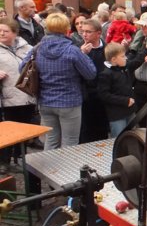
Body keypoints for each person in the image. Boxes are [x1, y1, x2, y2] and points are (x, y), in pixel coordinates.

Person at [21, 13, 96, 150]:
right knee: (70, 141)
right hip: (70, 101)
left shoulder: (37, 49)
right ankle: (66, 171)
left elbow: (22, 68)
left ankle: (50, 171)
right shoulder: (72, 51)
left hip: (45, 101)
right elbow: (90, 74)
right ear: (67, 29)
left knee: (51, 139)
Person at [0, 18, 36, 172]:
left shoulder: (26, 47)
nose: (1, 33)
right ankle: (5, 161)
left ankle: (20, 157)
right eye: (0, 31)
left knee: (24, 131)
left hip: (27, 96)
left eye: (5, 31)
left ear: (15, 33)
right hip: (9, 97)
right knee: (9, 132)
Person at [97, 42, 146, 137]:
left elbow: (137, 62)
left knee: (133, 135)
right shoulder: (105, 74)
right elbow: (104, 95)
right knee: (119, 138)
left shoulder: (123, 68)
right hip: (117, 115)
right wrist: (125, 100)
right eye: (123, 56)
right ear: (114, 59)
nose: (126, 58)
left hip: (130, 111)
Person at [78, 18, 109, 143]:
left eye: (88, 32)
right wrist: (82, 55)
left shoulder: (107, 49)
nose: (84, 34)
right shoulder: (78, 49)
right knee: (86, 131)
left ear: (98, 33)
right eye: (83, 31)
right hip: (86, 95)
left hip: (103, 94)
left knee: (101, 130)